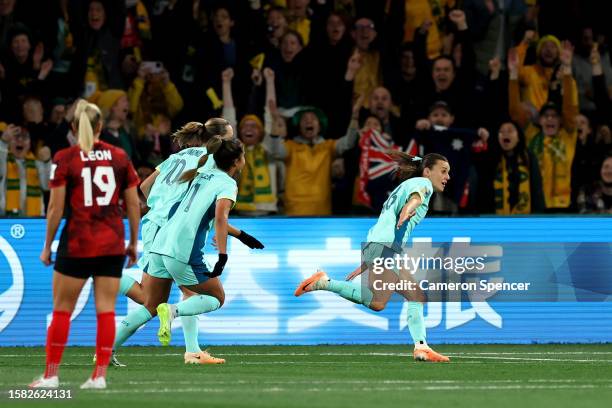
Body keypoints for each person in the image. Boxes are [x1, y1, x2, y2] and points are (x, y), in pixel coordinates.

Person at [113, 137, 263, 355]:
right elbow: (219, 218)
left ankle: (108, 351)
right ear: (237, 161)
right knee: (216, 297)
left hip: (161, 241)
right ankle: (173, 312)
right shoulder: (227, 183)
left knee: (150, 302)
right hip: (183, 249)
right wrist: (223, 256)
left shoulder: (200, 173)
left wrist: (241, 235)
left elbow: (201, 213)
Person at [295, 152, 450, 362]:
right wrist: (407, 211)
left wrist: (369, 257)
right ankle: (324, 282)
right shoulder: (424, 184)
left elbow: (390, 217)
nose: (447, 176)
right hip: (385, 245)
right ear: (427, 171)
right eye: (443, 171)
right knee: (377, 303)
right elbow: (415, 199)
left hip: (381, 243)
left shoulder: (406, 185)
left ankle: (421, 347)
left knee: (416, 296)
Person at [30, 100, 140, 390]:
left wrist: (47, 245)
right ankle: (99, 377)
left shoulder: (65, 158)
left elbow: (54, 209)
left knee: (62, 310)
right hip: (112, 243)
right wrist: (132, 243)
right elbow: (133, 204)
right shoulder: (119, 156)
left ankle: (51, 375)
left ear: (73, 127)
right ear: (101, 126)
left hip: (77, 244)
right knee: (106, 310)